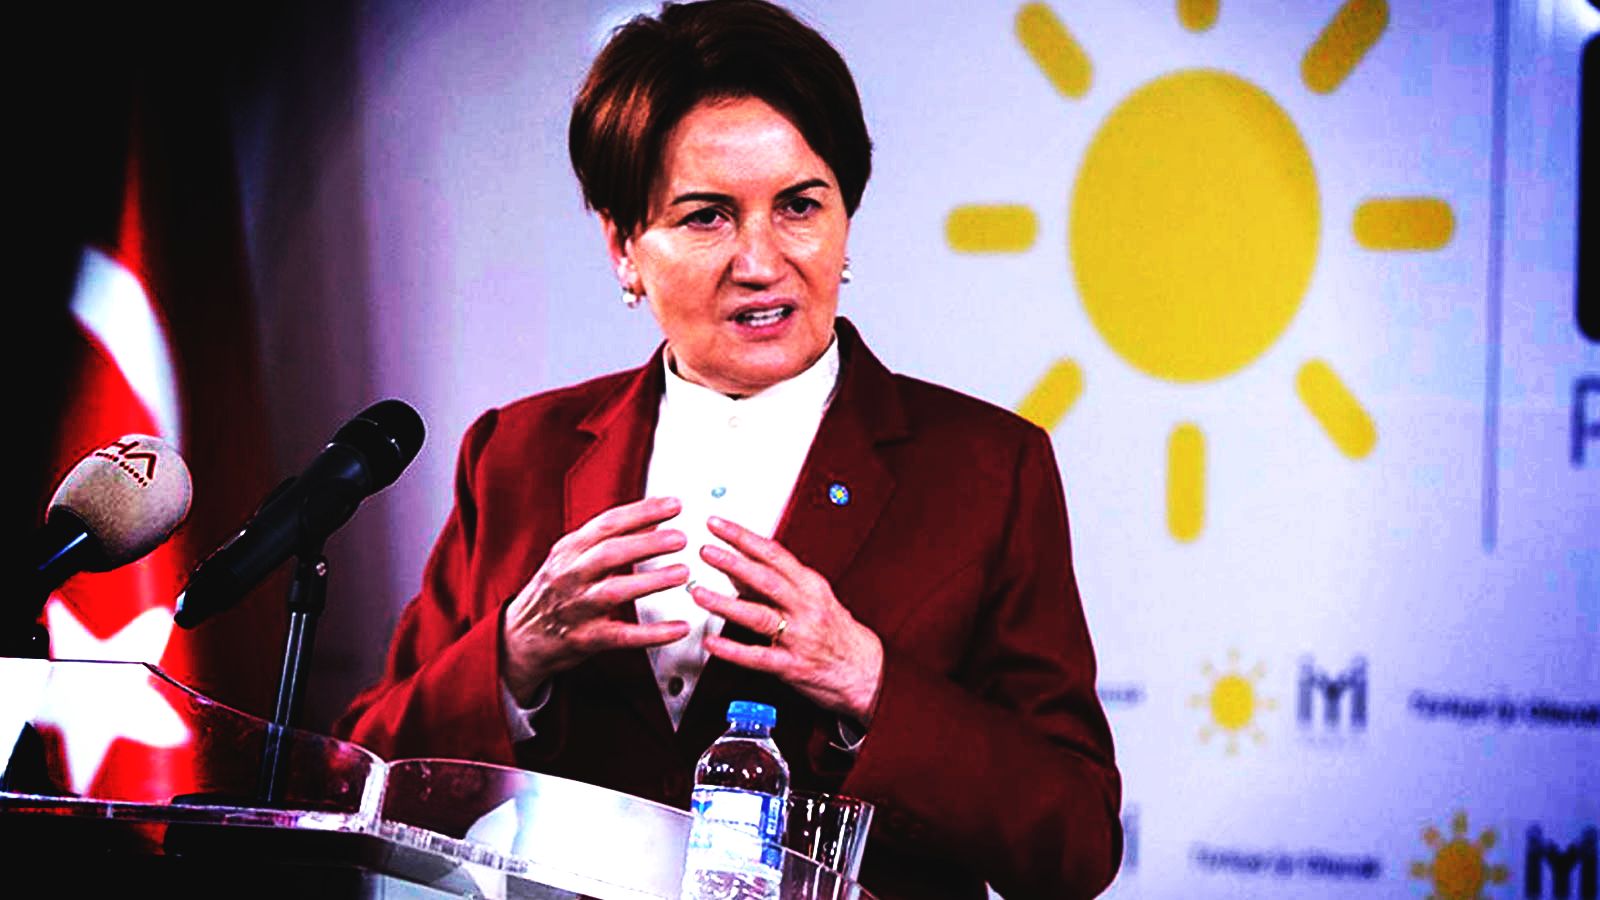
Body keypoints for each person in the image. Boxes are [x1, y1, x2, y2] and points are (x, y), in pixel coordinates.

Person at [335, 2, 1121, 897]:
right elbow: (364, 782)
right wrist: (513, 656)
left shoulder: (986, 468)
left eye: (799, 206)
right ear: (624, 245)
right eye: (707, 217)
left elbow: (1076, 845)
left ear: (846, 219)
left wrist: (870, 683)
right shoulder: (518, 452)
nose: (760, 261)